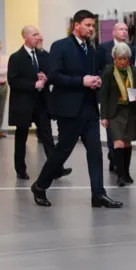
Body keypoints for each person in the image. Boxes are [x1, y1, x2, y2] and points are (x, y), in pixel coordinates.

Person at [30, 10, 123, 208]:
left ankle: (98, 194)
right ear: (76, 25)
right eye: (88, 25)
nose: (91, 29)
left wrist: (97, 79)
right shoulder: (60, 46)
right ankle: (39, 186)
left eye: (92, 26)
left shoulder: (92, 49)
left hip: (89, 108)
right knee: (62, 152)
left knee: (95, 152)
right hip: (69, 110)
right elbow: (53, 76)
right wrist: (82, 81)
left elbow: (95, 72)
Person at [8, 26, 72, 180]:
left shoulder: (43, 55)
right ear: (25, 37)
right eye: (35, 34)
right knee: (21, 137)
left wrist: (45, 78)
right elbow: (13, 80)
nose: (39, 37)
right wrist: (33, 84)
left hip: (41, 103)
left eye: (39, 34)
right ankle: (20, 169)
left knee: (47, 136)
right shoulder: (16, 57)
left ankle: (56, 168)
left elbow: (52, 73)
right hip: (23, 104)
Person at [100, 42, 136, 187]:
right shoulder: (108, 71)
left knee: (127, 143)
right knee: (118, 143)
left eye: (125, 59)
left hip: (130, 111)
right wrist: (103, 116)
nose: (123, 62)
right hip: (114, 112)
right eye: (120, 58)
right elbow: (104, 95)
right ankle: (120, 175)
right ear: (114, 58)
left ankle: (127, 172)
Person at [97, 22, 136, 172]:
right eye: (121, 29)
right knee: (112, 134)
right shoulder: (103, 48)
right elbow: (99, 70)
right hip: (111, 99)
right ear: (113, 32)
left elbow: (131, 73)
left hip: (126, 100)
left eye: (126, 29)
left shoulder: (131, 48)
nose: (124, 32)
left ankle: (122, 166)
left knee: (125, 136)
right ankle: (114, 159)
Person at [0, 40, 8, 138]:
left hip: (3, 85)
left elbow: (7, 70)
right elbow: (3, 71)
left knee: (1, 109)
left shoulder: (6, 58)